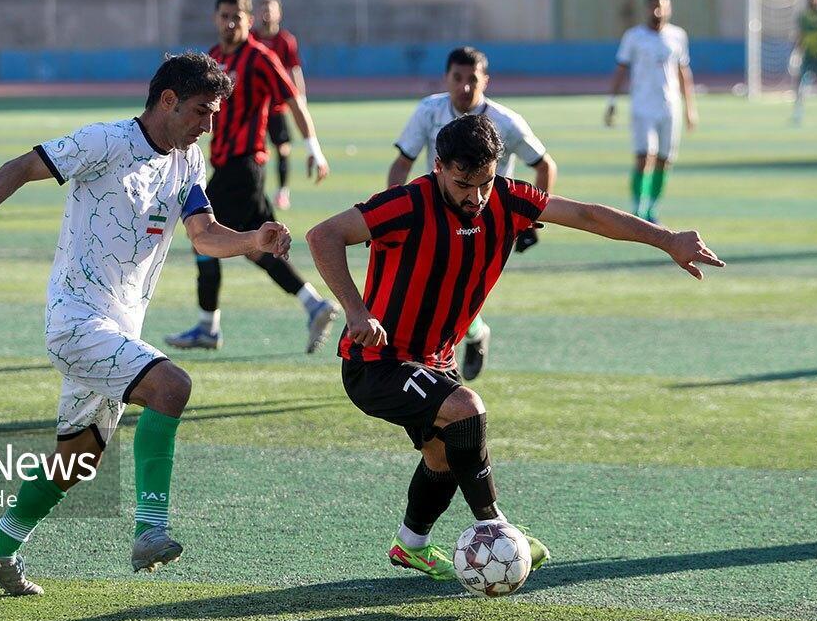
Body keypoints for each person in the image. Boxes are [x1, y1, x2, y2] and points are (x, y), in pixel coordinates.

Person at [306, 114, 722, 583]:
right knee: (466, 409)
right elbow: (323, 235)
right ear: (439, 166)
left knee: (443, 454)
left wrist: (666, 239)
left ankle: (411, 545)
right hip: (376, 361)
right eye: (464, 184)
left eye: (484, 182)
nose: (475, 196)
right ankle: (497, 527)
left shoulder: (508, 199)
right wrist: (357, 312)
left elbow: (586, 215)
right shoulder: (406, 204)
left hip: (435, 359)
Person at [0, 53, 293, 596]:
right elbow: (21, 167)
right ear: (168, 101)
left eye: (214, 115)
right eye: (201, 112)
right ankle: (151, 530)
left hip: (120, 329)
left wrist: (253, 241)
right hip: (76, 322)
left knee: (79, 456)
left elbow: (203, 235)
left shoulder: (189, 163)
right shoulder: (104, 142)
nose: (208, 126)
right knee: (173, 385)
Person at [166, 0, 338, 354]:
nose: (230, 24)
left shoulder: (260, 58)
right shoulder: (211, 59)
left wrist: (314, 149)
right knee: (261, 246)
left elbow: (293, 99)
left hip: (244, 166)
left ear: (249, 21)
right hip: (228, 165)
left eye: (237, 18)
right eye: (224, 16)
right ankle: (314, 304)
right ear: (216, 18)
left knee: (203, 234)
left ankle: (207, 325)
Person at [387, 46, 559, 381]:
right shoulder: (428, 111)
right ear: (446, 78)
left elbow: (544, 166)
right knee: (435, 289)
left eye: (473, 79)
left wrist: (530, 224)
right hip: (438, 212)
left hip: (488, 219)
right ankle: (452, 353)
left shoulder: (507, 122)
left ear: (486, 81)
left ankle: (459, 348)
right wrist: (395, 210)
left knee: (459, 295)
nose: (465, 87)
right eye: (458, 78)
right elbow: (401, 164)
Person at [605, 0, 698, 225]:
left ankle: (652, 209)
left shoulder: (678, 36)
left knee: (664, 160)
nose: (657, 12)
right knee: (643, 156)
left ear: (669, 9)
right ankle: (638, 209)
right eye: (653, 8)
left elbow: (683, 72)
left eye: (662, 8)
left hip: (669, 107)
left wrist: (690, 108)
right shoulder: (634, 37)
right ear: (646, 10)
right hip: (642, 106)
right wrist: (612, 103)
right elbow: (621, 69)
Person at [253, 0, 306, 210]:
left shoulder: (285, 40)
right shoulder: (251, 38)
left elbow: (294, 70)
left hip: (277, 107)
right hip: (255, 108)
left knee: (283, 149)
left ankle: (283, 191)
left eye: (270, 8)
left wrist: (300, 99)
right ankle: (256, 191)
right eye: (263, 8)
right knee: (254, 152)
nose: (266, 12)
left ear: (279, 13)